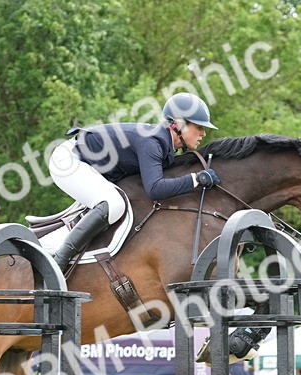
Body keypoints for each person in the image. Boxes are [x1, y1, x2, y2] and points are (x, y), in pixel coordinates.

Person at [46, 92, 220, 269]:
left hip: (88, 164)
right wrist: (196, 179)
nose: (203, 133)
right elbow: (155, 189)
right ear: (179, 124)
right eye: (198, 127)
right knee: (113, 203)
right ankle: (59, 261)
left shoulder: (162, 144)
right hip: (68, 161)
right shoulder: (152, 142)